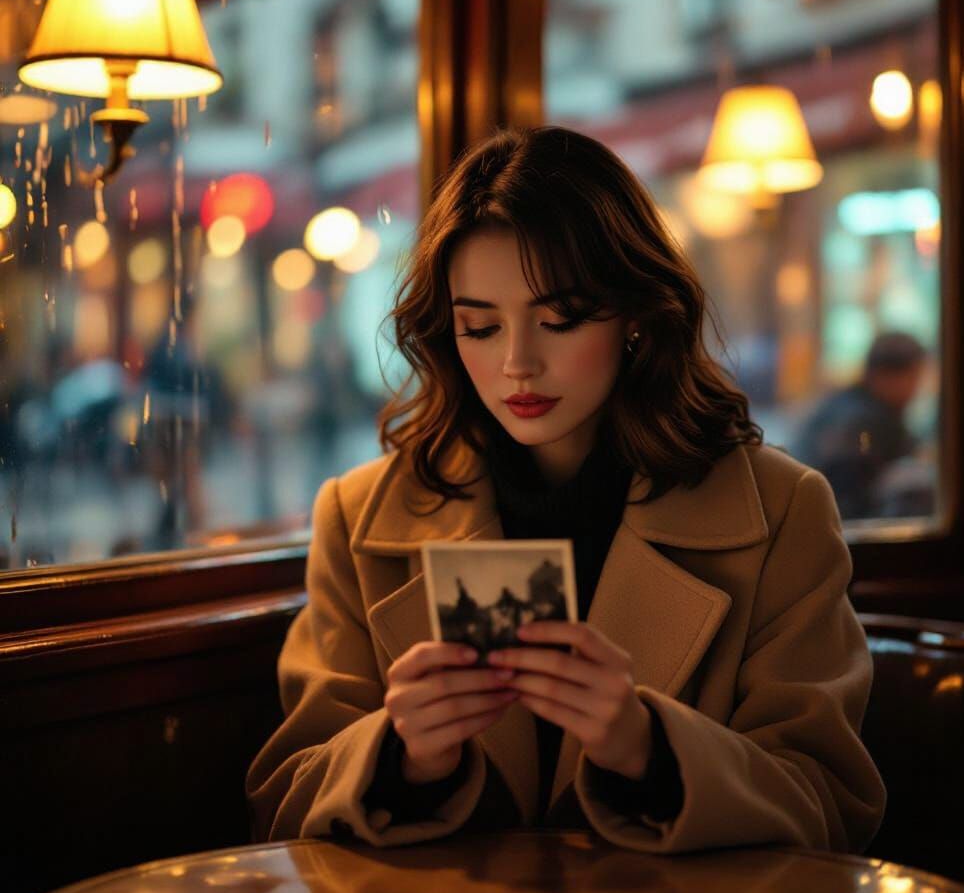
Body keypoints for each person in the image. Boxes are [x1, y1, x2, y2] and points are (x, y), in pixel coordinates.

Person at [245, 125, 886, 855]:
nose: (518, 363)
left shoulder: (779, 512)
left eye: (560, 320)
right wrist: (403, 757)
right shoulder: (359, 519)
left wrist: (649, 750)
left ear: (638, 315)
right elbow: (284, 799)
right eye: (479, 328)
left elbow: (832, 805)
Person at [790, 332, 930, 519]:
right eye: (914, 377)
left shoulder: (849, 405)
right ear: (885, 376)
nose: (916, 389)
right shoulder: (863, 421)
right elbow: (849, 502)